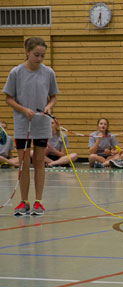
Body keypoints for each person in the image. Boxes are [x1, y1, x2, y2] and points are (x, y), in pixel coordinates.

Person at [3, 37, 59, 216]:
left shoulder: (49, 72)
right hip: (22, 124)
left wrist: (49, 107)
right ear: (27, 52)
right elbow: (8, 98)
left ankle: (38, 202)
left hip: (41, 123)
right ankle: (24, 201)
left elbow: (53, 96)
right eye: (36, 55)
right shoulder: (16, 73)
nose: (40, 59)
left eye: (42, 55)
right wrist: (23, 109)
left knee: (39, 162)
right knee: (24, 163)